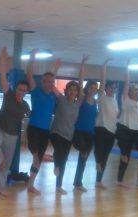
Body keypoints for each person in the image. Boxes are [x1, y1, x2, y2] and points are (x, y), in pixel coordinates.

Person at [0, 47, 31, 197]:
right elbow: (3, 77)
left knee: (6, 165)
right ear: (16, 88)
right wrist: (3, 60)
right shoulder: (9, 95)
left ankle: (0, 186)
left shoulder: (25, 105)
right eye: (19, 89)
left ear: (26, 92)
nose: (21, 92)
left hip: (12, 136)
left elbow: (30, 116)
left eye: (24, 90)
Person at [49, 55, 87, 195]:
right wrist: (56, 69)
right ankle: (55, 166)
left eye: (75, 90)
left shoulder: (78, 103)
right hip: (56, 132)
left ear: (77, 93)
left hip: (68, 135)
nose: (73, 91)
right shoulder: (61, 99)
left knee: (63, 159)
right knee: (59, 152)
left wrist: (82, 63)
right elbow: (52, 83)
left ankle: (58, 186)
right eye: (70, 89)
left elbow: (81, 82)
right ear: (66, 90)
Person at [25, 49, 61, 194]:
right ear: (42, 82)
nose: (49, 84)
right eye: (46, 81)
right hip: (33, 127)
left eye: (51, 82)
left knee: (38, 159)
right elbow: (29, 75)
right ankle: (34, 159)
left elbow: (53, 78)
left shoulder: (53, 95)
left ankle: (30, 185)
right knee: (35, 156)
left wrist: (56, 69)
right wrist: (31, 59)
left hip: (45, 130)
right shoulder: (36, 90)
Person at [115, 60, 138, 187]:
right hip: (123, 128)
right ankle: (119, 180)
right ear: (130, 92)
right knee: (125, 158)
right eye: (135, 91)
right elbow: (126, 83)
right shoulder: (126, 100)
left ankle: (125, 154)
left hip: (135, 131)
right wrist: (127, 67)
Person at [72, 56, 99, 192]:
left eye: (95, 88)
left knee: (83, 160)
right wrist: (82, 63)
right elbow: (80, 80)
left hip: (90, 133)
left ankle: (78, 183)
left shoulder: (95, 102)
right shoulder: (82, 98)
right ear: (87, 88)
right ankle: (77, 182)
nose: (93, 89)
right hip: (79, 132)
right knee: (83, 152)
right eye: (92, 87)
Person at [93, 59, 118, 189]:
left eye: (114, 88)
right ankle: (97, 163)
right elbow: (102, 82)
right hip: (100, 128)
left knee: (105, 156)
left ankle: (99, 181)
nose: (112, 89)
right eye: (110, 87)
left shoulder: (115, 101)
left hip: (111, 131)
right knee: (99, 151)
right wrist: (104, 66)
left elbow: (115, 116)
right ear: (106, 88)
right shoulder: (102, 97)